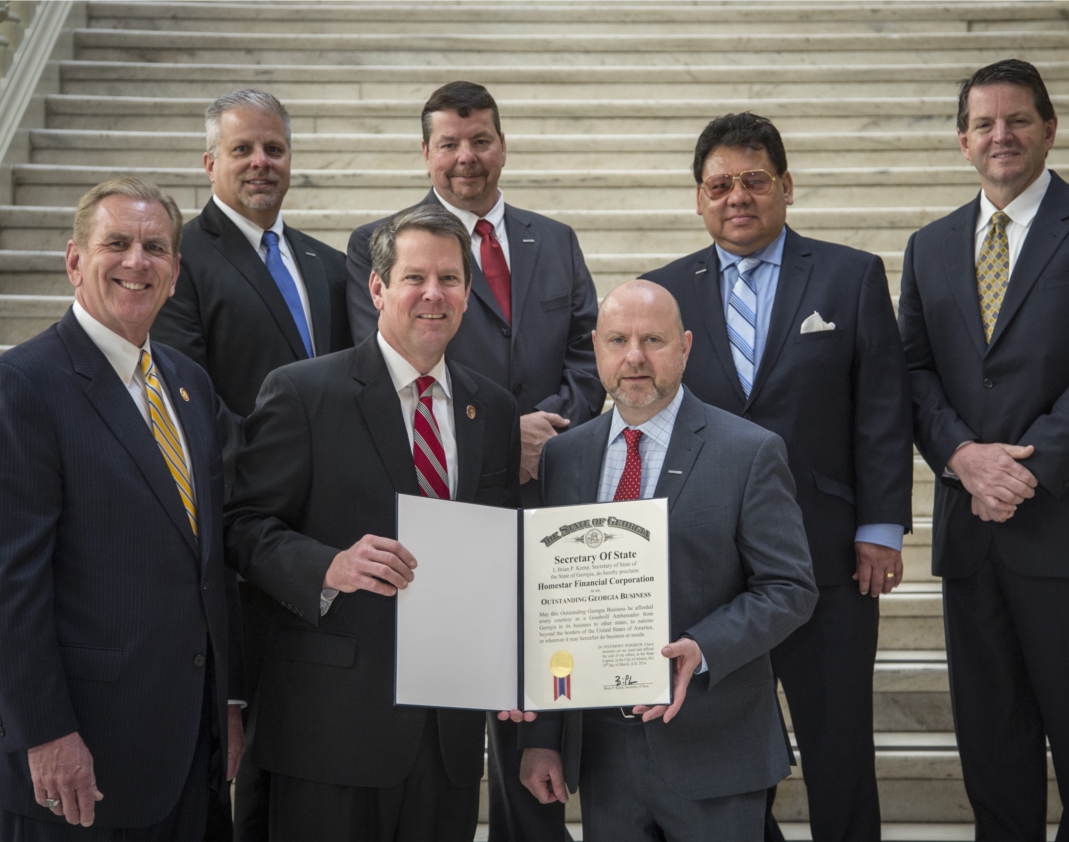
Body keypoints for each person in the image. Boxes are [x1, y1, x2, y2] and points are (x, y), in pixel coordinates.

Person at [898, 59, 1069, 840]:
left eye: (1017, 120)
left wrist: (1025, 469)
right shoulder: (930, 246)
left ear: (1050, 129)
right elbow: (912, 372)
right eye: (983, 123)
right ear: (962, 140)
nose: (1000, 136)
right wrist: (962, 459)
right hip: (972, 535)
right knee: (991, 748)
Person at [640, 112, 912, 840]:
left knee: (839, 742)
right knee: (727, 748)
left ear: (786, 187)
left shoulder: (850, 275)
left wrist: (881, 529)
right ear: (698, 199)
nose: (738, 197)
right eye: (719, 184)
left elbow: (882, 409)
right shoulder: (662, 294)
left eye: (754, 180)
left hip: (829, 556)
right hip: (708, 567)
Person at [345, 80, 602, 841]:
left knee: (537, 720)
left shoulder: (552, 239)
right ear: (426, 152)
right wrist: (501, 433)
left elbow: (591, 350)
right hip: (443, 511)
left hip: (546, 500)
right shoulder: (379, 244)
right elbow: (396, 355)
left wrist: (549, 431)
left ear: (501, 143)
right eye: (450, 143)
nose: (467, 156)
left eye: (480, 139)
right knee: (449, 731)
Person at [0, 177, 245, 840]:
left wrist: (226, 700)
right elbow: (4, 587)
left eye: (156, 247)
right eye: (116, 243)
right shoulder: (20, 388)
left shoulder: (188, 382)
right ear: (75, 260)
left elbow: (209, 556)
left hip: (185, 751)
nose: (137, 261)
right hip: (78, 759)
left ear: (175, 272)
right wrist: (46, 733)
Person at [224, 204, 522, 841]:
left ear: (469, 294)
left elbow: (500, 550)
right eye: (415, 278)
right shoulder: (301, 392)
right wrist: (327, 566)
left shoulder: (491, 409)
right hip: (331, 732)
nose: (433, 294)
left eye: (450, 279)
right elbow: (244, 527)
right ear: (379, 287)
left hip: (448, 735)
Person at [518, 280, 818, 842]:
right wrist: (543, 739)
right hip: (604, 757)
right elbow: (551, 607)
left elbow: (790, 588)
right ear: (596, 350)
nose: (634, 356)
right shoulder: (563, 456)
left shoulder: (749, 451)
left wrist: (703, 649)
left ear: (684, 347)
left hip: (714, 744)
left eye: (652, 339)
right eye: (618, 340)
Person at [148, 89, 353, 841]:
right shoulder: (179, 260)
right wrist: (288, 489)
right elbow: (188, 395)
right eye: (243, 150)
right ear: (210, 163)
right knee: (251, 755)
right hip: (241, 541)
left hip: (319, 548)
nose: (261, 162)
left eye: (273, 149)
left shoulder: (328, 264)